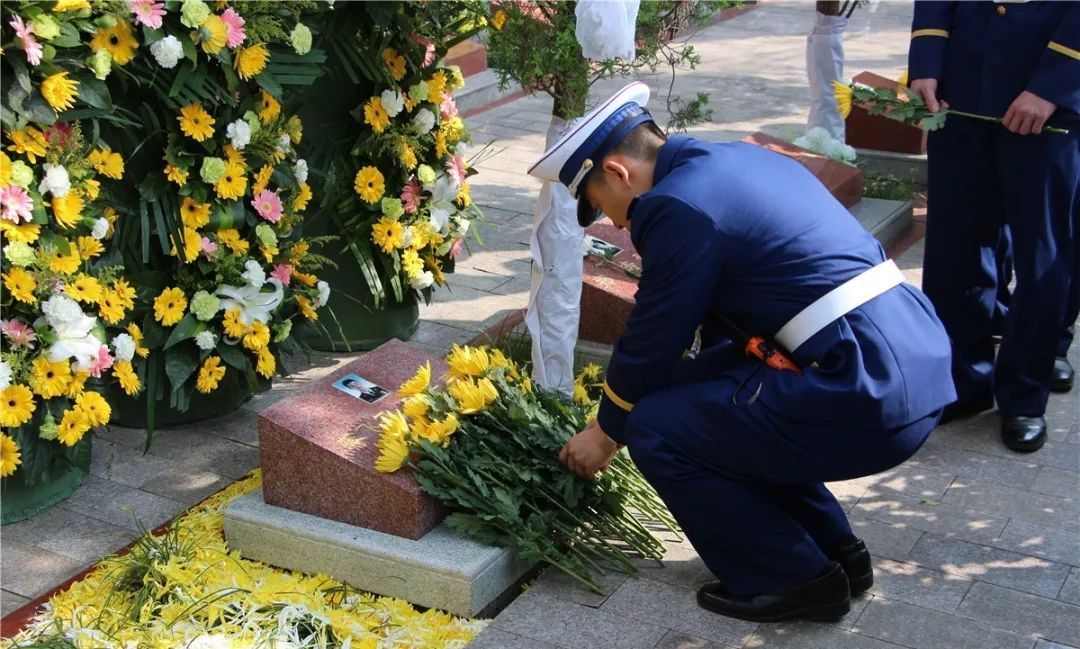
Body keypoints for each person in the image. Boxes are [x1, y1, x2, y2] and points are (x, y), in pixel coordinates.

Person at [528, 82, 955, 622]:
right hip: (898, 354)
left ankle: (794, 579)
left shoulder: (675, 205)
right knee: (708, 405)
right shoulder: (733, 160)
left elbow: (655, 335)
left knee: (657, 427)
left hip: (865, 384)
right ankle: (832, 549)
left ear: (617, 172)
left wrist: (607, 430)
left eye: (600, 205)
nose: (615, 223)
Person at [907, 1, 1080, 452]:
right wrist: (927, 59)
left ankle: (1023, 394)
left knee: (1041, 253)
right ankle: (962, 384)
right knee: (953, 246)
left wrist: (1054, 84)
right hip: (961, 83)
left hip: (1045, 94)